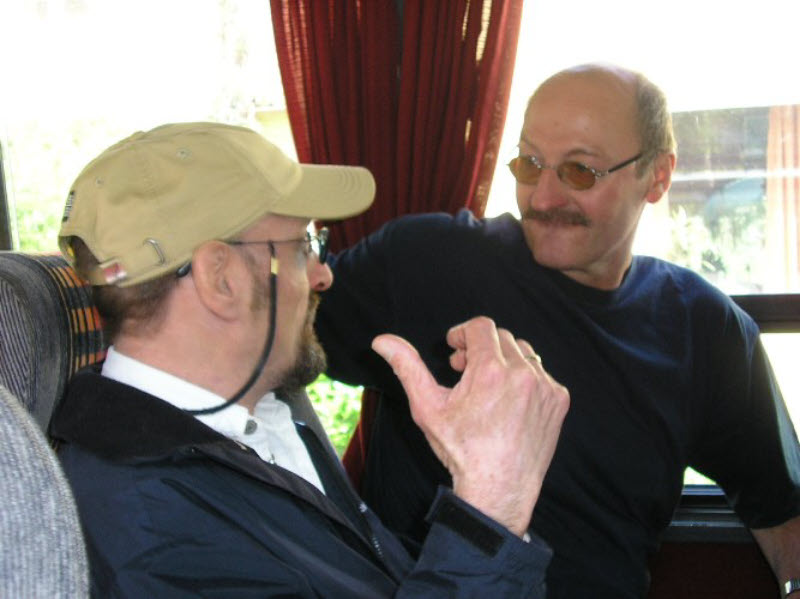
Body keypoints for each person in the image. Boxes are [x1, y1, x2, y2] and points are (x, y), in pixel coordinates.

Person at [315, 63, 800, 598]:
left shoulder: (707, 329)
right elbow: (272, 333)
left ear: (657, 176)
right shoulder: (428, 263)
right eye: (529, 164)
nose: (542, 199)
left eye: (579, 172)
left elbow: (783, 511)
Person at [49, 122, 569, 598]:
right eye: (303, 246)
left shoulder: (260, 413)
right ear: (221, 279)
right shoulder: (153, 528)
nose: (324, 275)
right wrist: (490, 507)